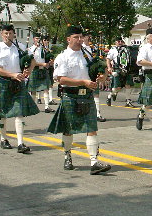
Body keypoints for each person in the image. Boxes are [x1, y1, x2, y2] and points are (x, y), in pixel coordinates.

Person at [47, 25, 111, 175]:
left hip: (87, 96)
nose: (79, 40)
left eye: (81, 37)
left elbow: (99, 70)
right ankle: (67, 155)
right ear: (68, 39)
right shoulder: (62, 57)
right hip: (71, 95)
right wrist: (83, 82)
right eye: (76, 37)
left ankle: (94, 162)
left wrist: (102, 76)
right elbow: (61, 80)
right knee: (69, 130)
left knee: (92, 129)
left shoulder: (88, 55)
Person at [0, 24, 40, 153]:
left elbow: (33, 61)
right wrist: (12, 74)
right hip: (4, 82)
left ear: (14, 34)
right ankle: (3, 139)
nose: (8, 36)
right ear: (2, 35)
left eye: (10, 33)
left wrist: (28, 71)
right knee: (3, 113)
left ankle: (20, 143)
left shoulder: (20, 47)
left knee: (19, 114)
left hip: (18, 83)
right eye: (5, 34)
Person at [28, 33, 55, 113]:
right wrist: (42, 64)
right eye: (36, 38)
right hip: (35, 70)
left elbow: (46, 59)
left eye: (39, 38)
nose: (38, 40)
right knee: (33, 90)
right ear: (33, 39)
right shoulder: (31, 49)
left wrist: (50, 62)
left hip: (43, 70)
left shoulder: (44, 49)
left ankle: (47, 107)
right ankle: (32, 107)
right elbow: (32, 62)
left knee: (46, 88)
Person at [106, 37, 135, 109]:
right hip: (117, 69)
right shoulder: (113, 50)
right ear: (115, 42)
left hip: (126, 69)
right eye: (118, 41)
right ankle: (110, 96)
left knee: (128, 85)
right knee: (117, 87)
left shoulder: (126, 49)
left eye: (121, 41)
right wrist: (109, 68)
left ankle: (128, 101)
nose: (120, 42)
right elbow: (108, 59)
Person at [81, 32, 105, 122]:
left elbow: (99, 60)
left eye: (88, 36)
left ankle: (98, 114)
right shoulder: (80, 48)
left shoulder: (94, 48)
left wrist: (100, 71)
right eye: (85, 36)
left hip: (93, 73)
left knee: (96, 93)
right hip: (83, 73)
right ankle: (84, 114)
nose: (87, 38)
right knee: (83, 94)